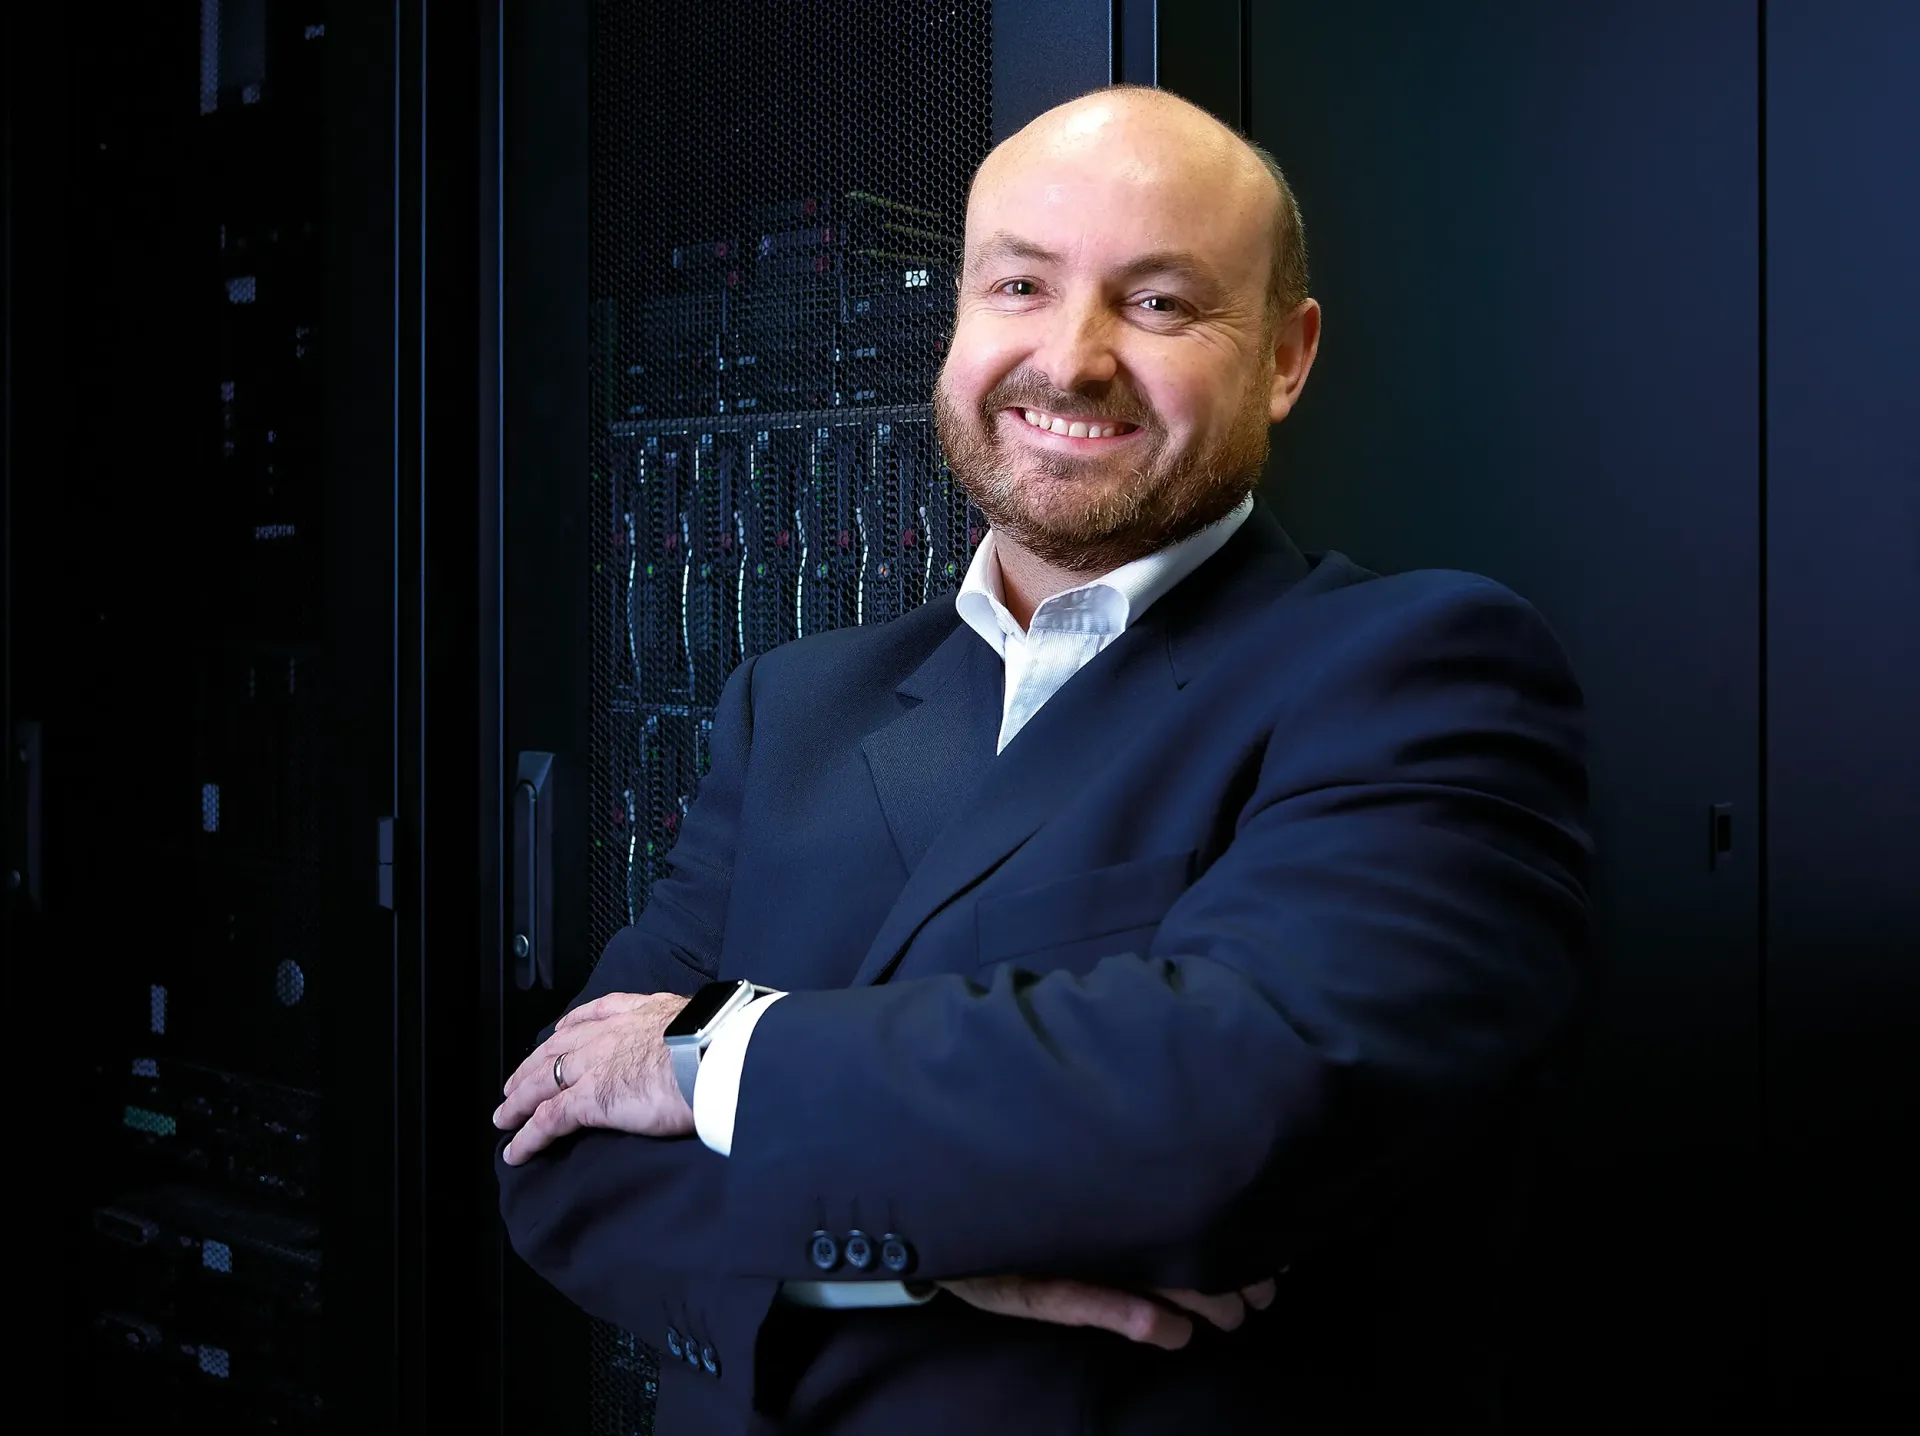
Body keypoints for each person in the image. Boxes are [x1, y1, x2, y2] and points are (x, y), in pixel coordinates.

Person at [493, 83, 1592, 1435]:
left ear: (1288, 358)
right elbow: (557, 1158)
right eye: (1018, 285)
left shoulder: (1412, 674)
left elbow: (1233, 1103)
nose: (1070, 360)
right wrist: (924, 1265)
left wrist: (711, 1054)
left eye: (1161, 304)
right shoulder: (793, 704)